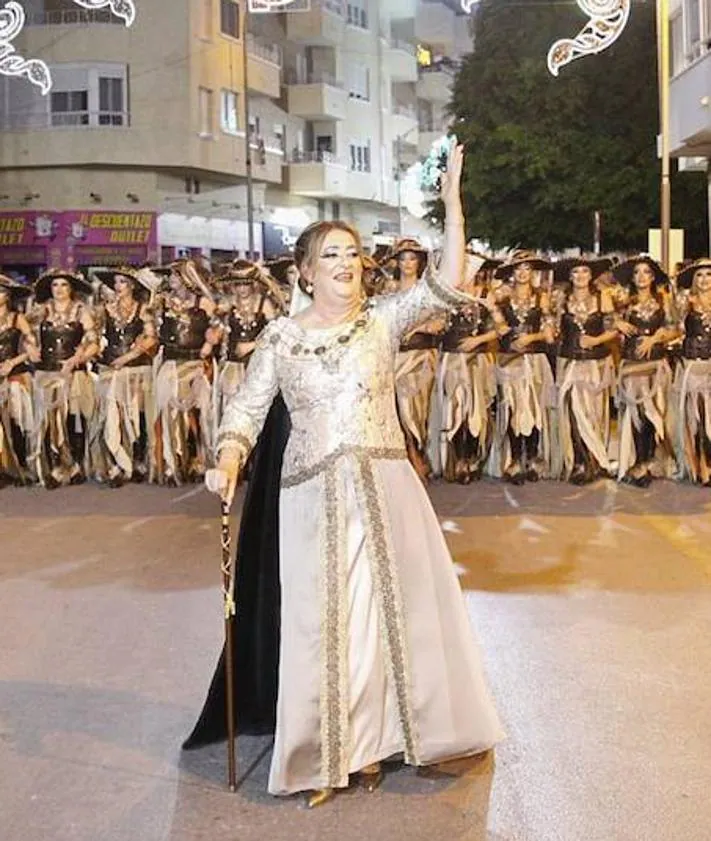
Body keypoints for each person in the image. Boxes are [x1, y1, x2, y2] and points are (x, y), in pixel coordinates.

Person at [194, 144, 504, 806]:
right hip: (309, 496)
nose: (346, 263)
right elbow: (246, 411)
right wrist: (226, 459)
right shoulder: (281, 338)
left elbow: (451, 281)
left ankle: (374, 745)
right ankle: (325, 755)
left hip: (385, 488)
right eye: (330, 254)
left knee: (383, 617)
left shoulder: (381, 321)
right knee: (323, 626)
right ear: (306, 272)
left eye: (352, 252)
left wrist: (451, 198)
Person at [489, 251, 555, 484]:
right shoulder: (501, 298)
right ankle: (515, 460)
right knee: (512, 409)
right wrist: (497, 321)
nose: (522, 273)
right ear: (512, 273)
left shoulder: (542, 297)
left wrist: (530, 337)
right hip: (509, 360)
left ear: (532, 272)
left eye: (527, 268)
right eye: (518, 268)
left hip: (535, 359)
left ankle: (533, 458)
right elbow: (496, 326)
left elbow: (549, 334)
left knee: (535, 409)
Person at [29, 269, 99, 489]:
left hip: (73, 375)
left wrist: (79, 359)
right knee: (48, 421)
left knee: (73, 420)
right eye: (55, 285)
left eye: (64, 285)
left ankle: (75, 466)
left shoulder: (81, 311)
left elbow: (94, 341)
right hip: (46, 374)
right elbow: (26, 336)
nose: (59, 289)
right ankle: (55, 466)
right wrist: (30, 349)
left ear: (71, 288)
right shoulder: (41, 311)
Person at [552, 258, 618, 484]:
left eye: (585, 271)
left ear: (591, 276)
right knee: (572, 411)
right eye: (575, 272)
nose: (580, 276)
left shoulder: (603, 298)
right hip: (569, 362)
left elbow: (613, 329)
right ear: (570, 277)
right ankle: (580, 462)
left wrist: (596, 339)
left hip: (595, 364)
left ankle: (594, 458)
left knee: (593, 414)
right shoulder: (560, 299)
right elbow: (551, 328)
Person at [613, 256, 677, 487]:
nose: (641, 276)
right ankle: (639, 461)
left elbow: (674, 329)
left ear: (653, 277)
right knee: (636, 415)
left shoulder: (663, 300)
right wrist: (616, 324)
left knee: (653, 415)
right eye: (637, 272)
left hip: (656, 366)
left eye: (646, 272)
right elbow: (605, 320)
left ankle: (647, 462)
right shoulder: (622, 301)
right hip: (631, 365)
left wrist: (654, 339)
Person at [93, 267, 159, 487]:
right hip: (111, 371)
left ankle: (139, 461)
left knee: (136, 416)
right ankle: (118, 464)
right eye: (116, 282)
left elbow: (151, 339)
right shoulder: (104, 310)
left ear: (131, 286)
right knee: (111, 417)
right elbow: (93, 337)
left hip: (137, 371)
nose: (118, 286)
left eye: (122, 282)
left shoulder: (143, 311)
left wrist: (129, 356)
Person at [438, 251, 500, 483]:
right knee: (455, 412)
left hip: (478, 362)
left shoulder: (486, 295)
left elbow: (501, 328)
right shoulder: (445, 296)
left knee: (477, 411)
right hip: (452, 361)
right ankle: (457, 461)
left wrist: (478, 340)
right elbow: (437, 324)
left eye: (470, 268)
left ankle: (473, 459)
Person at [153, 259, 216, 485]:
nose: (171, 279)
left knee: (198, 416)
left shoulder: (204, 302)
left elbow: (216, 325)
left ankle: (199, 459)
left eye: (176, 275)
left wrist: (210, 342)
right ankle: (174, 462)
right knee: (170, 415)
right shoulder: (163, 303)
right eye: (170, 275)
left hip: (195, 366)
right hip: (170, 365)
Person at [390, 237, 444, 480]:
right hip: (394, 358)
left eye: (412, 258)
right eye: (402, 259)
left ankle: (419, 454)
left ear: (419, 262)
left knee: (418, 409)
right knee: (399, 409)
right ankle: (409, 458)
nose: (407, 263)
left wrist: (421, 328)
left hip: (421, 358)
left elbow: (441, 323)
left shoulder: (427, 292)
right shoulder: (387, 290)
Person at [671, 258, 711, 484]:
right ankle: (701, 466)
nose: (705, 280)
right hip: (693, 367)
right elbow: (673, 328)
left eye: (708, 275)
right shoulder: (685, 300)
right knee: (698, 417)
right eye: (700, 275)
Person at [0, 275, 36, 486]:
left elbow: (32, 348)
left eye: (1, 291)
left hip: (14, 376)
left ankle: (21, 467)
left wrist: (12, 363)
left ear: (8, 295)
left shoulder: (17, 318)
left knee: (16, 421)